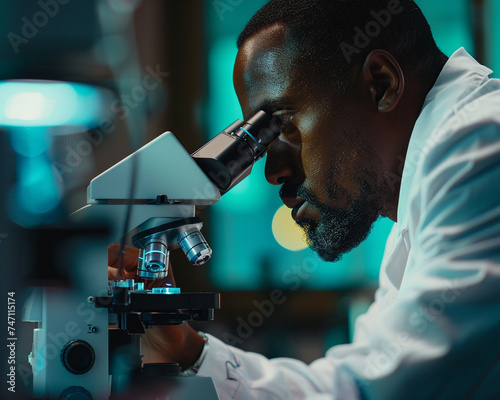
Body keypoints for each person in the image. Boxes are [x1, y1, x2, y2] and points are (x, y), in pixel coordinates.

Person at [109, 0, 500, 398]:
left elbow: (381, 391)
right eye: (260, 141)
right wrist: (185, 347)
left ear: (381, 84)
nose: (272, 172)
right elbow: (349, 380)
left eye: (284, 126)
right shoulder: (417, 207)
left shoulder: (481, 146)